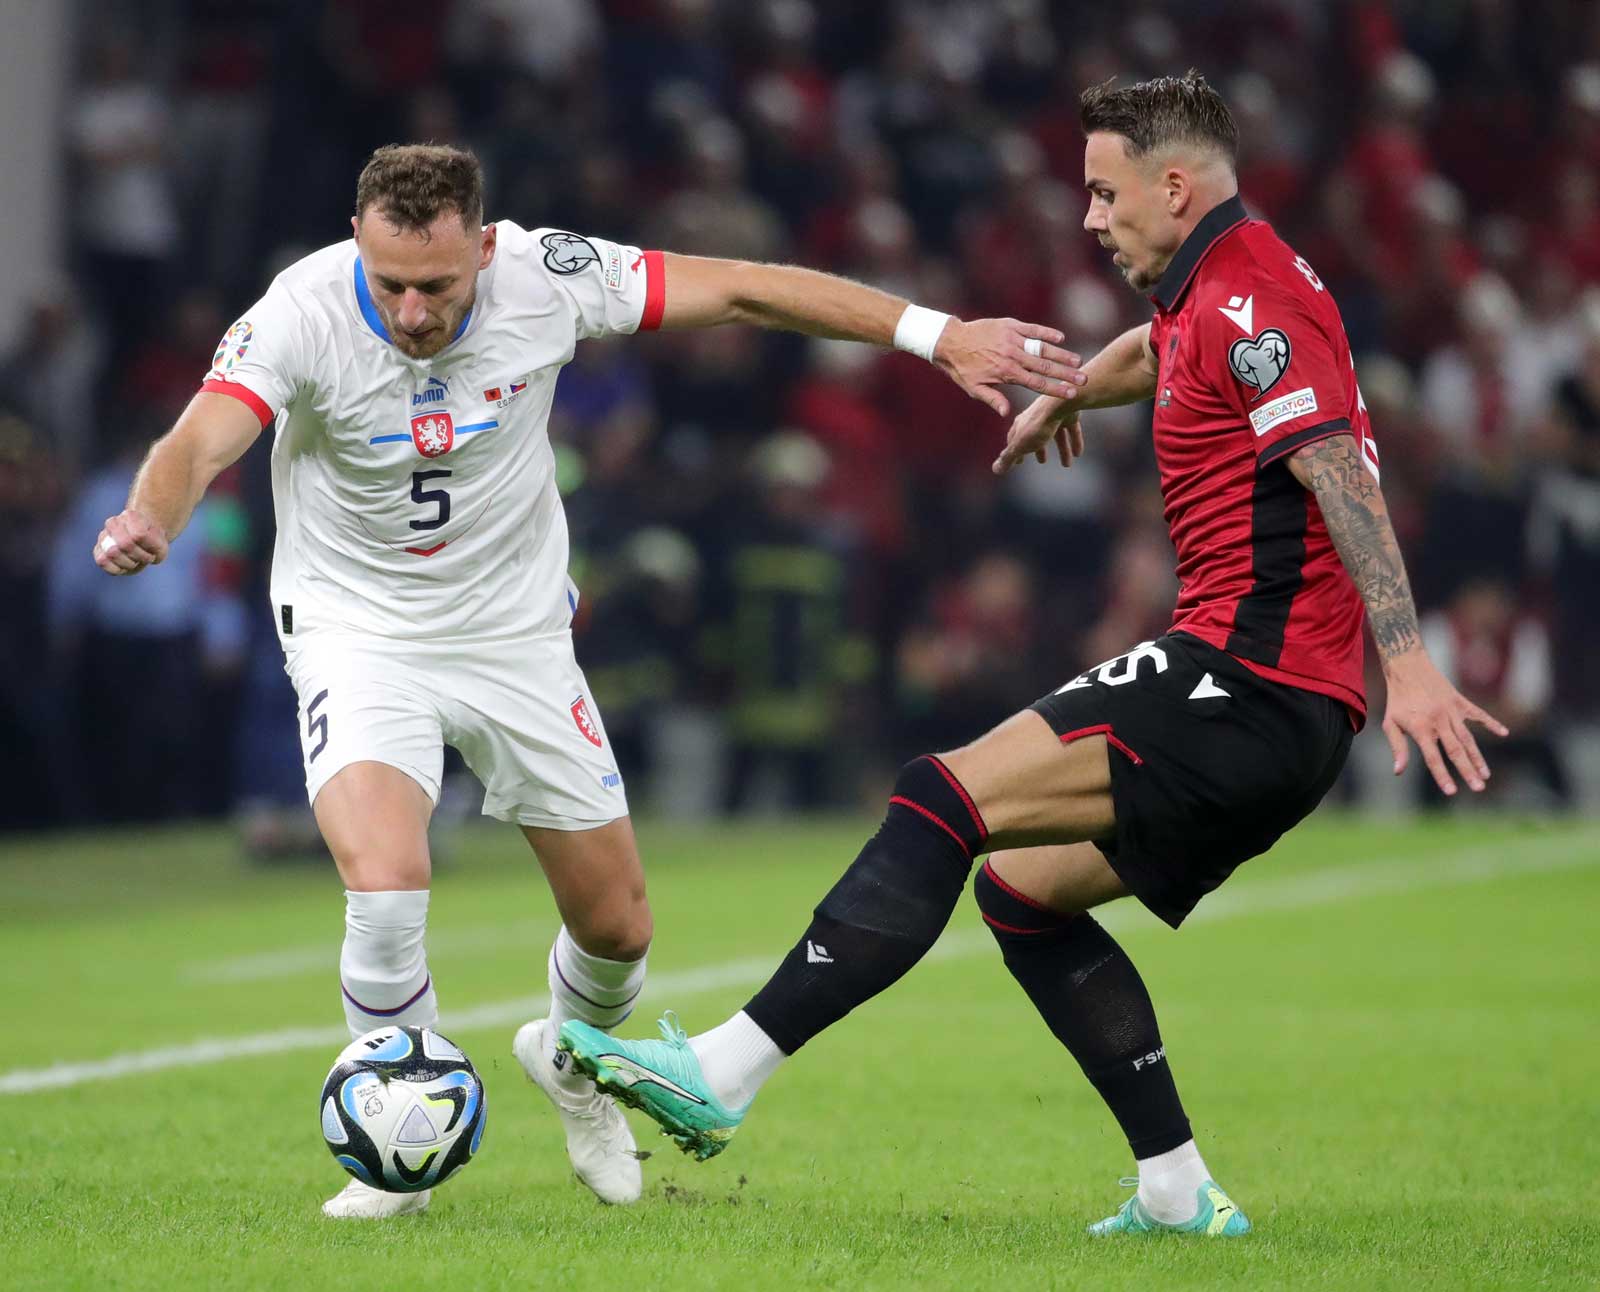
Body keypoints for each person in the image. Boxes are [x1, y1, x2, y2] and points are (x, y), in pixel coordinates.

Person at [556, 73, 1509, 1238]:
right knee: (1022, 893)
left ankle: (723, 1070)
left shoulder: (1252, 298)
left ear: (1173, 184)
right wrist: (1071, 396)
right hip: (1266, 700)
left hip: (1245, 684)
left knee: (936, 795)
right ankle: (1174, 1188)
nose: (1092, 218)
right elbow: (1160, 353)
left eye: (1106, 194)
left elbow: (1337, 471)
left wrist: (1404, 657)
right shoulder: (1217, 284)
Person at [90, 143, 1081, 1220]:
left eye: (437, 284)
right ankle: (397, 1154)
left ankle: (573, 1064)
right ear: (359, 249)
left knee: (617, 928)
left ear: (482, 246)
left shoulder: (550, 275)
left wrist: (935, 335)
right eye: (391, 285)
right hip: (357, 629)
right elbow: (200, 437)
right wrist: (156, 516)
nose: (413, 310)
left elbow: (745, 290)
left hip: (515, 635)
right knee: (385, 879)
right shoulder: (302, 311)